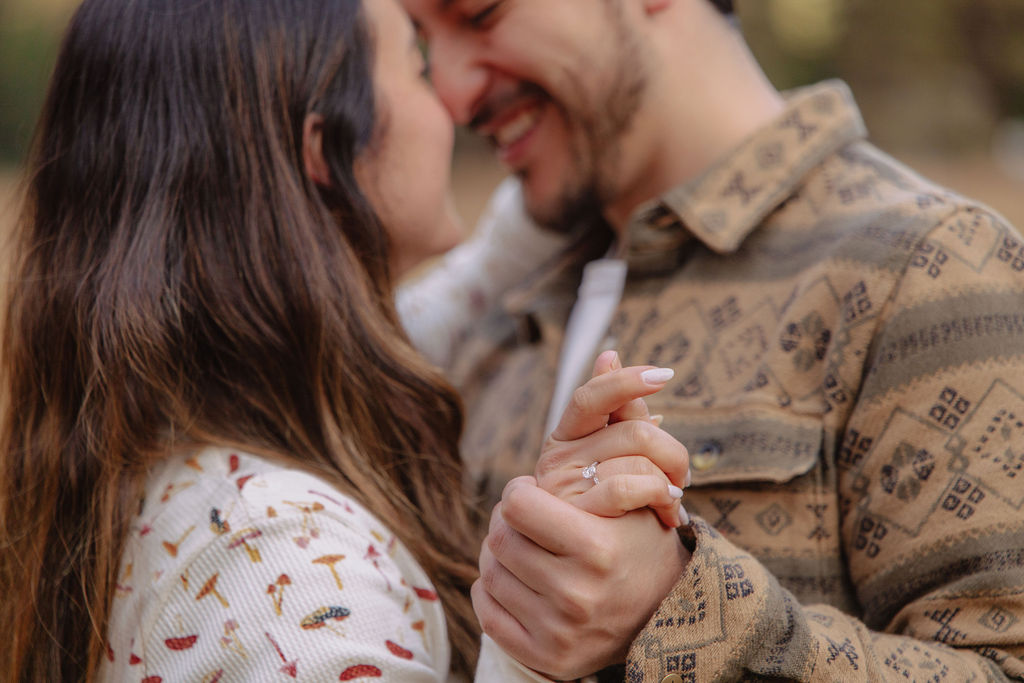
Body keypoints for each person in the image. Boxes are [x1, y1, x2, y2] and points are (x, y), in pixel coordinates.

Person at [0, 0, 691, 680]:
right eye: (419, 69)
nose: (452, 101)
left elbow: (472, 278)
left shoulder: (170, 430)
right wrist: (530, 639)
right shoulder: (277, 559)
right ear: (323, 149)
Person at [401, 0, 1024, 679]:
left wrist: (682, 609)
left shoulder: (925, 266)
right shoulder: (497, 314)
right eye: (423, 43)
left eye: (480, 14)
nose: (455, 95)